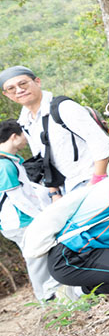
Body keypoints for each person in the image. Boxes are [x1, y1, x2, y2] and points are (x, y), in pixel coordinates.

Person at [1, 66, 109, 195]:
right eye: (11, 88)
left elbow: (100, 142)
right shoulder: (26, 122)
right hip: (67, 188)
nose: (19, 90)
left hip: (92, 180)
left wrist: (96, 180)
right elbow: (43, 160)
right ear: (7, 95)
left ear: (37, 82)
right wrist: (54, 193)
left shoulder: (64, 108)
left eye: (23, 83)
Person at [0, 120, 61, 301]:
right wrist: (41, 216)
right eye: (24, 134)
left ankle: (53, 294)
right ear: (14, 136)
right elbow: (17, 198)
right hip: (19, 221)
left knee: (41, 255)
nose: (26, 139)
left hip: (25, 219)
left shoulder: (11, 160)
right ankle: (46, 298)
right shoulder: (4, 165)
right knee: (36, 259)